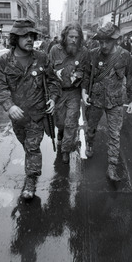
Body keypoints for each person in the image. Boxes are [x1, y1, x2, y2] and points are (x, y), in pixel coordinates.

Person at [0, 19, 61, 200]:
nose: (29, 39)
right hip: (17, 117)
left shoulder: (41, 58)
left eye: (31, 35)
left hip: (37, 114)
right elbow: (0, 86)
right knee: (25, 144)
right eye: (25, 35)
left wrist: (53, 99)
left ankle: (30, 181)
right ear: (16, 38)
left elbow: (53, 81)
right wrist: (10, 106)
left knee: (33, 147)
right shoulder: (5, 61)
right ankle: (31, 167)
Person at [82, 22, 132, 181]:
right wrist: (84, 93)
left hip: (116, 101)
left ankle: (112, 167)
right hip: (96, 100)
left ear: (116, 40)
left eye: (107, 41)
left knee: (115, 134)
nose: (103, 45)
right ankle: (90, 144)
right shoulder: (93, 54)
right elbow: (86, 75)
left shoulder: (124, 55)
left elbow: (130, 77)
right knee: (91, 127)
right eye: (101, 41)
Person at [49, 22, 89, 164]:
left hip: (74, 92)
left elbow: (86, 72)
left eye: (76, 37)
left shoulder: (83, 51)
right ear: (65, 36)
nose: (73, 40)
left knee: (71, 121)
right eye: (71, 36)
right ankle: (60, 132)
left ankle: (65, 150)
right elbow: (48, 70)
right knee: (60, 122)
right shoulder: (55, 50)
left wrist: (82, 85)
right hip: (58, 92)